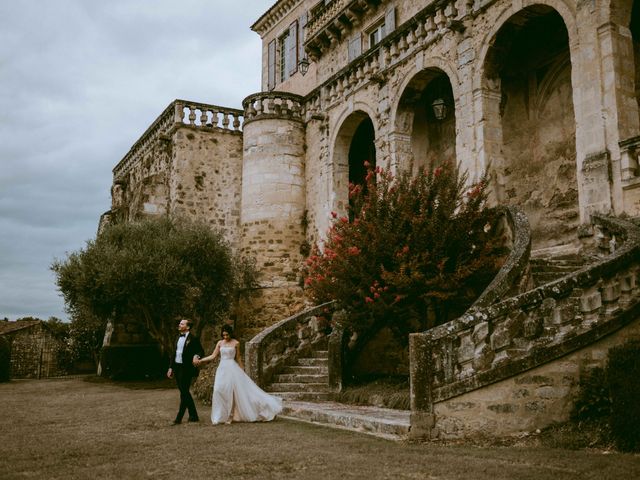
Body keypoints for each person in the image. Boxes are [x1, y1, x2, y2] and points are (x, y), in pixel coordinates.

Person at [194, 324, 282, 425]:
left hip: (232, 368)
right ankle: (219, 415)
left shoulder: (236, 343)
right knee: (218, 390)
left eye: (227, 335)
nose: (225, 337)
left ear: (230, 334)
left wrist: (242, 371)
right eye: (224, 335)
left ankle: (230, 416)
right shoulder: (220, 343)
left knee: (231, 392)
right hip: (222, 369)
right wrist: (201, 360)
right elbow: (213, 356)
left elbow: (238, 358)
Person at [167, 318, 204, 425]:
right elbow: (174, 354)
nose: (179, 324)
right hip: (177, 367)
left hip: (186, 368)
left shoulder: (193, 339)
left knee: (184, 392)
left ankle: (178, 418)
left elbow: (200, 351)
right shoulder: (177, 337)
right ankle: (194, 415)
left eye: (181, 323)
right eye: (180, 323)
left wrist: (196, 356)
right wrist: (170, 368)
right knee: (184, 392)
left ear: (187, 327)